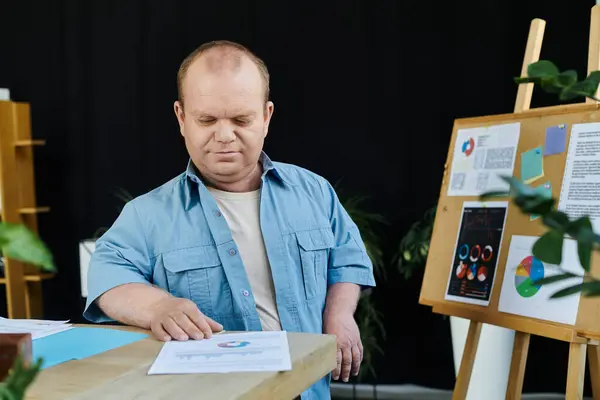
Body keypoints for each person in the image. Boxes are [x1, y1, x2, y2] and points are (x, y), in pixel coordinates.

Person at [84, 40, 376, 399]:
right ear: (181, 117)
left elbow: (348, 260)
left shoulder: (314, 191)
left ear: (266, 116)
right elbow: (106, 279)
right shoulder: (146, 215)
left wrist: (341, 315)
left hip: (308, 390)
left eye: (241, 119)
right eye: (206, 120)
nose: (224, 136)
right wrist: (159, 307)